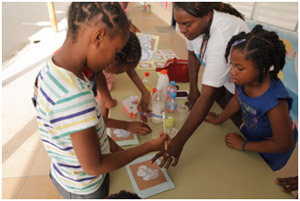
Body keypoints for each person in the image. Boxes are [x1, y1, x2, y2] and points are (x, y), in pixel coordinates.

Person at [33, 2, 168, 199]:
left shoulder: (51, 70)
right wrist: (149, 146)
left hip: (63, 173)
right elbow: (95, 166)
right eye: (115, 51)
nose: (112, 61)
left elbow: (70, 129)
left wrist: (106, 140)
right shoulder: (76, 95)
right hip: (85, 188)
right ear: (98, 37)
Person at [152, 2, 249, 168]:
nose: (182, 29)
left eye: (187, 24)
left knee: (235, 134)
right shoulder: (195, 26)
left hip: (244, 89)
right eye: (179, 23)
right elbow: (192, 55)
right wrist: (193, 89)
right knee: (219, 120)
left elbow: (208, 95)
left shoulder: (222, 35)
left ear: (207, 16)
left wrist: (178, 142)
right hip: (228, 83)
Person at [205, 25, 298, 171]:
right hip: (253, 134)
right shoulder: (243, 81)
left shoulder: (275, 103)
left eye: (239, 68)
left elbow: (283, 144)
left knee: (258, 173)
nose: (232, 72)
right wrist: (219, 119)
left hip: (272, 146)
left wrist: (243, 145)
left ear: (263, 67)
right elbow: (237, 100)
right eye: (232, 64)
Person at [95, 31, 151, 118]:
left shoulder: (110, 50)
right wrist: (108, 101)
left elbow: (129, 68)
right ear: (111, 60)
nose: (123, 72)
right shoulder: (92, 68)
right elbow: (98, 76)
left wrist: (145, 93)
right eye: (121, 71)